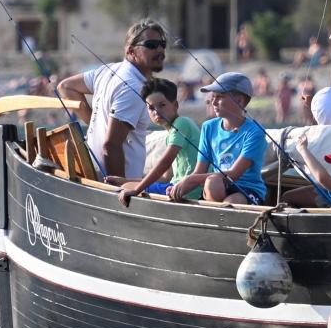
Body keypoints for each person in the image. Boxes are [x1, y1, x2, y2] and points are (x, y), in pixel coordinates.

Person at [57, 19, 166, 181]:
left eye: (162, 44)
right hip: (116, 184)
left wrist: (95, 120)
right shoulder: (134, 88)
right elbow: (111, 146)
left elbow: (65, 87)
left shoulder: (108, 70)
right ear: (131, 52)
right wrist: (119, 188)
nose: (159, 49)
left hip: (95, 174)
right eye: (151, 45)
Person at [168, 71, 268, 204]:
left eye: (219, 97)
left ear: (239, 101)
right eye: (212, 97)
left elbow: (234, 174)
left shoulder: (255, 132)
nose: (213, 102)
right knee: (212, 182)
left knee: (228, 199)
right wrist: (179, 187)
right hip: (217, 186)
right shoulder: (208, 127)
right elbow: (199, 171)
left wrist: (191, 180)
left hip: (247, 189)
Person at [115, 79, 202, 206]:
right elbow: (165, 177)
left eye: (162, 105)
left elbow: (165, 162)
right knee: (126, 183)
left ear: (175, 105)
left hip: (187, 191)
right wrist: (125, 179)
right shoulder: (171, 133)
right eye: (151, 108)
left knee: (127, 187)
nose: (156, 112)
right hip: (174, 186)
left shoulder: (182, 123)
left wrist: (136, 189)